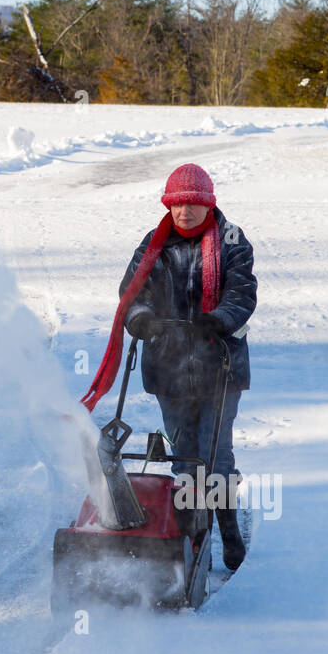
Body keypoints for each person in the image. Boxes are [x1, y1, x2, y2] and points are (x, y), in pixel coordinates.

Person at [82, 162, 257, 571]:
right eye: (177, 205)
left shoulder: (232, 241)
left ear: (208, 204)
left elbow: (243, 291)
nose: (185, 212)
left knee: (214, 458)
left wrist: (220, 319)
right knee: (184, 457)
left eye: (193, 204)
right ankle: (191, 534)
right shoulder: (153, 243)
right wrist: (141, 317)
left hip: (221, 368)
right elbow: (133, 289)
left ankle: (227, 532)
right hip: (169, 367)